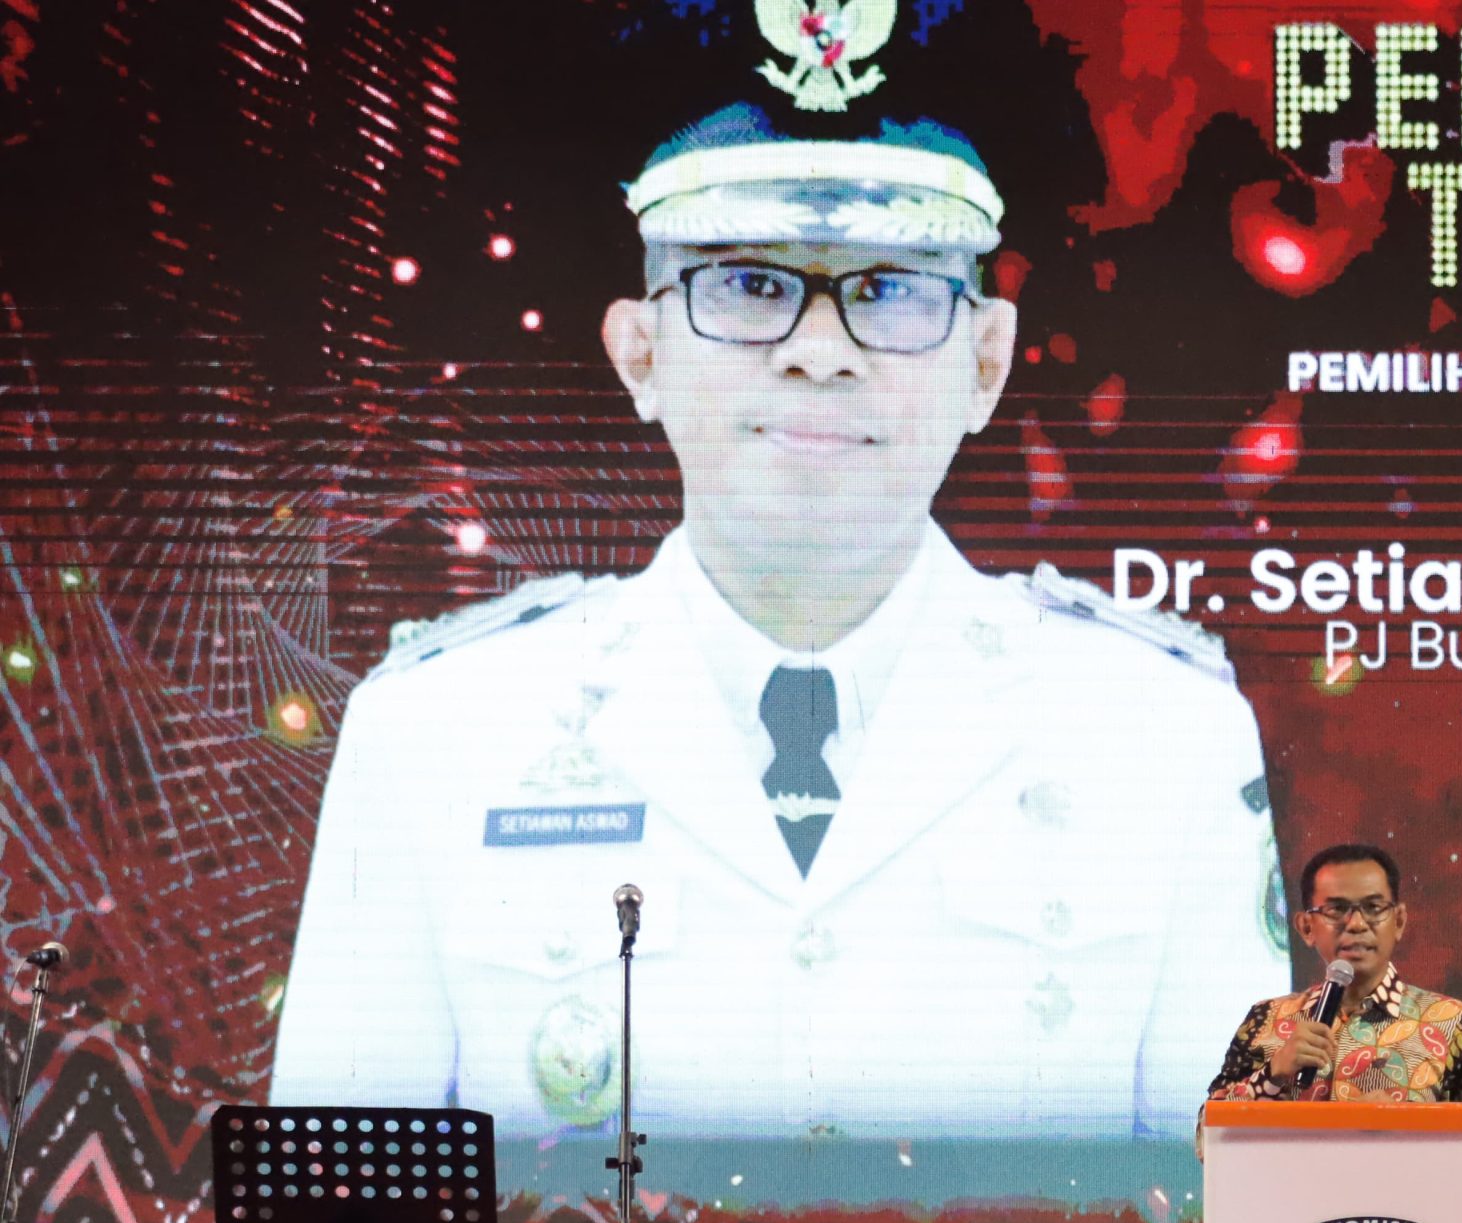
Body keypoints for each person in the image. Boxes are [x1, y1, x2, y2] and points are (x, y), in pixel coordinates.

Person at [270, 96, 1288, 1143]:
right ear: (640, 352)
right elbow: (333, 1218)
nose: (819, 351)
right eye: (750, 285)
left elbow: (1237, 1210)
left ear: (987, 362)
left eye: (889, 291)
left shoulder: (1161, 738)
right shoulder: (438, 734)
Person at [1205, 843, 1462, 1105]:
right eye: (1337, 909)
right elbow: (1208, 1133)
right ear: (1306, 927)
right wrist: (1273, 1074)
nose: (1357, 924)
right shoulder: (1265, 1019)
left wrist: (1409, 1127)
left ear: (1399, 921)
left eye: (1374, 907)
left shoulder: (1450, 1021)